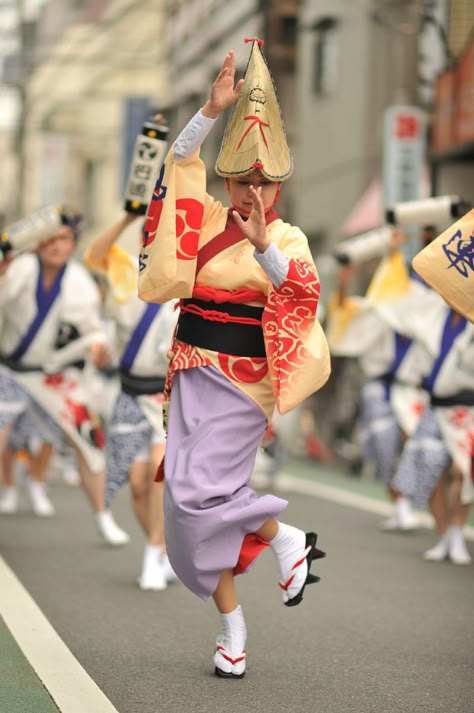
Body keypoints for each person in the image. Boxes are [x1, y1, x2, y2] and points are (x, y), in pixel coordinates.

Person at [138, 42, 331, 678]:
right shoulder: (209, 215)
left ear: (278, 183)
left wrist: (263, 250)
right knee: (186, 506)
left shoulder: (288, 236)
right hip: (191, 369)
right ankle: (232, 626)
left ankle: (281, 536)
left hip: (246, 382)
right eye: (240, 178)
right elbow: (179, 167)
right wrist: (210, 111)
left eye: (263, 180)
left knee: (201, 497)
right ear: (226, 180)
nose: (251, 188)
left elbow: (301, 296)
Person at [0, 210, 129, 545]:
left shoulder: (80, 283)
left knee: (89, 439)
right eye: (52, 239)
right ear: (40, 242)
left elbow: (92, 331)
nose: (57, 246)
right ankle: (10, 489)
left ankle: (103, 516)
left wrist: (99, 347)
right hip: (10, 368)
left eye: (64, 239)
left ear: (73, 242)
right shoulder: (20, 268)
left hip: (52, 374)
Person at [85, 213, 179, 590]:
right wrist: (127, 217)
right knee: (138, 485)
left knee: (159, 470)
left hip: (166, 395)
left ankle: (153, 555)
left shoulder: (186, 287)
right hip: (129, 393)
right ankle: (164, 551)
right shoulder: (127, 281)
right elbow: (95, 257)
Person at [327, 230, 431, 530]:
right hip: (379, 387)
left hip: (412, 390)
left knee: (417, 447)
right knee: (386, 446)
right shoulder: (380, 310)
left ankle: (407, 501)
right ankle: (399, 504)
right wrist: (345, 278)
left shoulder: (424, 312)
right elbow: (346, 307)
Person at [387, 293, 474, 565]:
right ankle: (444, 534)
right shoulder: (435, 313)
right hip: (435, 404)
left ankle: (457, 532)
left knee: (463, 471)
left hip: (466, 407)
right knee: (430, 467)